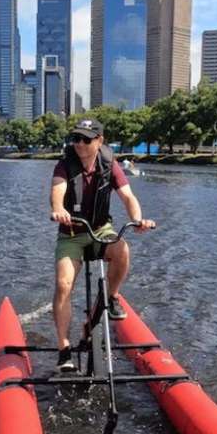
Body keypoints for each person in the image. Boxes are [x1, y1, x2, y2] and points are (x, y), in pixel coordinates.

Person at [50, 119, 155, 372]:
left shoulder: (109, 164)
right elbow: (57, 192)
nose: (80, 144)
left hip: (99, 230)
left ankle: (111, 297)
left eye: (86, 139)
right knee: (64, 284)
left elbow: (128, 196)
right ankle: (64, 348)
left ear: (100, 141)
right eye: (76, 139)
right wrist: (59, 209)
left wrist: (137, 219)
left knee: (122, 250)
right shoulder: (65, 164)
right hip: (72, 233)